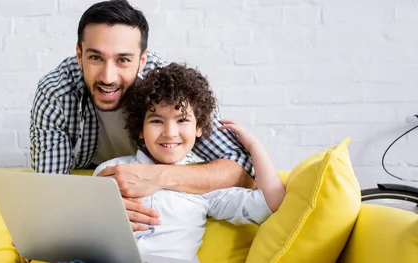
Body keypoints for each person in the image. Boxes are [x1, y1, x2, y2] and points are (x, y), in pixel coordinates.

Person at [29, 0, 255, 231]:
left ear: (142, 60)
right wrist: (94, 207)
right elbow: (50, 192)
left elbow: (243, 171)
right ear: (79, 54)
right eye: (96, 58)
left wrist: (158, 177)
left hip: (160, 191)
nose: (108, 77)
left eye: (123, 60)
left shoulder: (167, 88)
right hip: (98, 196)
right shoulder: (56, 92)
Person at [89, 62, 286, 262]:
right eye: (157, 121)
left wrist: (254, 146)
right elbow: (84, 225)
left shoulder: (205, 186)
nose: (170, 133)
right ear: (140, 128)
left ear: (198, 127)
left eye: (182, 120)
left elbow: (270, 203)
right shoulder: (113, 171)